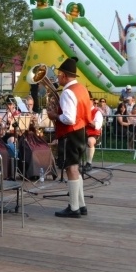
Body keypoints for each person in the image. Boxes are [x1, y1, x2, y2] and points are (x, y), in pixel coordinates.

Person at [47, 57, 92, 218]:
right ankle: (81, 205)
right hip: (80, 131)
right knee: (76, 168)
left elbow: (69, 118)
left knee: (71, 168)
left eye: (59, 75)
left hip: (70, 133)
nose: (57, 78)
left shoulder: (67, 92)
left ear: (64, 76)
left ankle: (73, 208)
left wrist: (54, 115)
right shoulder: (81, 88)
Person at [84, 93, 104, 169]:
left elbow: (97, 126)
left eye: (87, 100)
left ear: (91, 101)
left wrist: (88, 119)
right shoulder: (81, 111)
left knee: (90, 141)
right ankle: (73, 163)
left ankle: (89, 163)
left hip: (94, 134)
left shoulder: (97, 112)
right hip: (82, 133)